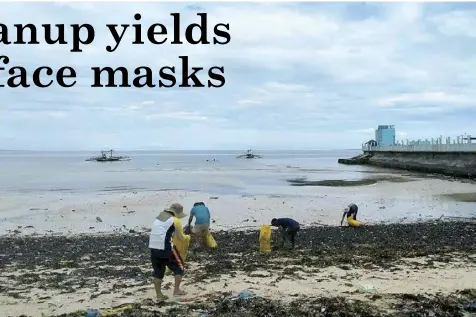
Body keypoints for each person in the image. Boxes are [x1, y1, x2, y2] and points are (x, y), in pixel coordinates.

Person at [149, 203, 189, 301]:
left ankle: (159, 295)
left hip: (153, 248)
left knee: (158, 272)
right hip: (166, 248)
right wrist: (188, 237)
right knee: (180, 267)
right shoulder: (175, 220)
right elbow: (180, 237)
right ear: (177, 213)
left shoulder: (159, 217)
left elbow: (163, 232)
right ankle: (176, 290)